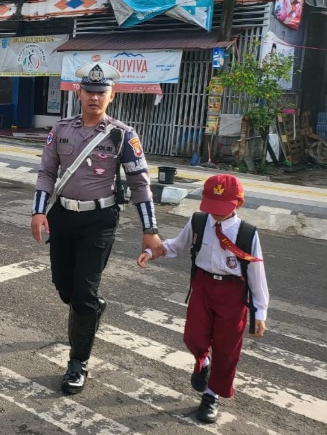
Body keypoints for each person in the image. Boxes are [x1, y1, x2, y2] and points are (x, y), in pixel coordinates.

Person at [30, 62, 164, 395]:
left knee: (84, 293)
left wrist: (150, 229)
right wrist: (38, 211)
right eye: (89, 91)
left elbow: (140, 184)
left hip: (99, 222)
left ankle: (78, 362)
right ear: (79, 92)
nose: (95, 97)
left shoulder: (123, 134)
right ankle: (90, 309)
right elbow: (47, 173)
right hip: (63, 217)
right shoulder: (61, 129)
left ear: (111, 96)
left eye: (101, 92)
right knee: (65, 288)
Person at [137, 173, 268, 424]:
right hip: (203, 286)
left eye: (222, 207)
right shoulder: (198, 221)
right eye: (212, 205)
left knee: (227, 349)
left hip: (232, 293)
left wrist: (260, 312)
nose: (215, 213)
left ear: (238, 203)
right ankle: (202, 361)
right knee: (193, 336)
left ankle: (211, 394)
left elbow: (256, 273)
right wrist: (152, 253)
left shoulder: (247, 233)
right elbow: (177, 245)